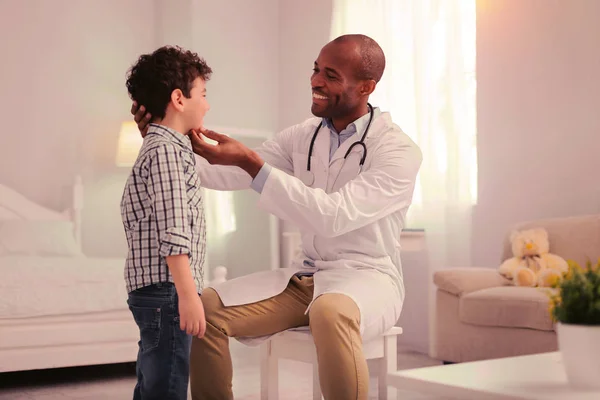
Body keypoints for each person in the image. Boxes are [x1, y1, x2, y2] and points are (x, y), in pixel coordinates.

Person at [132, 34, 423, 400]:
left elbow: (333, 217)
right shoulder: (302, 136)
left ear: (366, 87)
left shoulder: (397, 150)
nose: (316, 81)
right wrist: (161, 137)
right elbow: (223, 173)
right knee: (205, 309)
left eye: (331, 75)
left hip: (366, 278)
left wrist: (251, 161)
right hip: (305, 277)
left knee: (330, 312)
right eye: (316, 70)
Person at [121, 45, 212, 400]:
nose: (206, 104)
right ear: (179, 98)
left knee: (153, 380)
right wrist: (188, 296)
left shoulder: (163, 146)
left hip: (158, 290)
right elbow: (174, 229)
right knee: (168, 385)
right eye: (203, 94)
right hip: (168, 291)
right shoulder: (166, 152)